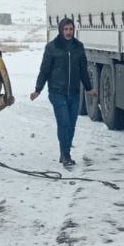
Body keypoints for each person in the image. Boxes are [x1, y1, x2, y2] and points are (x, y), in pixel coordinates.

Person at [31, 18, 94, 167]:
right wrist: (38, 89)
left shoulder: (79, 47)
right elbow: (44, 70)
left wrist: (89, 88)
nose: (68, 32)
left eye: (71, 29)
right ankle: (66, 155)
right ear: (60, 30)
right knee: (64, 122)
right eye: (65, 29)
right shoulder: (52, 47)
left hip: (74, 92)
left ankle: (63, 152)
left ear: (74, 30)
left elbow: (83, 70)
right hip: (56, 92)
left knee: (71, 125)